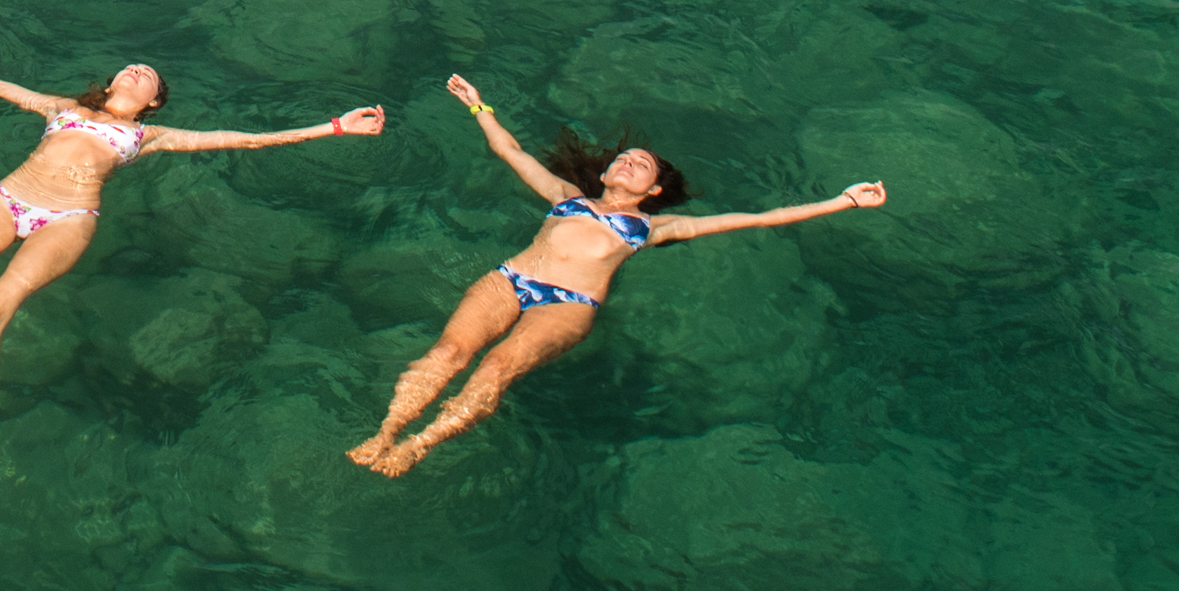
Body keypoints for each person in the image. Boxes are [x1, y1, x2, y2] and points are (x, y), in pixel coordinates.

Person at [0, 27, 384, 478]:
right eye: (131, 67)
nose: (137, 68)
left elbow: (243, 139)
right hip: (7, 198)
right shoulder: (63, 108)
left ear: (153, 103)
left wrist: (334, 127)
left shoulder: (150, 136)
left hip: (67, 219)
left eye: (149, 76)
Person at [349, 74, 885, 477]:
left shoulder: (655, 228)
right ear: (604, 173)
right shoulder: (566, 197)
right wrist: (478, 105)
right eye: (622, 158)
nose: (628, 162)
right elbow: (508, 150)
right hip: (509, 279)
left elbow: (756, 218)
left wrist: (843, 201)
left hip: (566, 307)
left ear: (652, 189)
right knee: (448, 354)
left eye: (641, 164)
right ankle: (386, 432)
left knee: (496, 368)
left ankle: (419, 447)